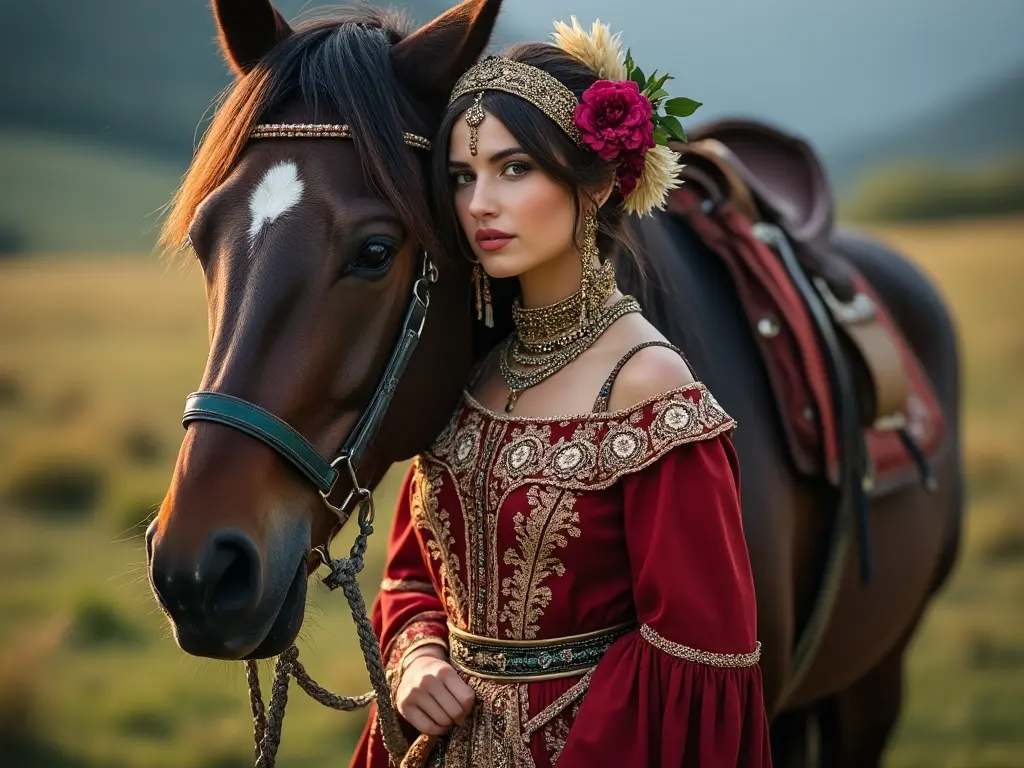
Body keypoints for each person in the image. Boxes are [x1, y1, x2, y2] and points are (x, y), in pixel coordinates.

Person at [350, 17, 772, 768]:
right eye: (461, 175)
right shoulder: (469, 372)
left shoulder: (649, 389)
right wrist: (415, 655)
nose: (479, 202)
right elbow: (414, 572)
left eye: (514, 169)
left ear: (600, 182)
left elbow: (695, 655)